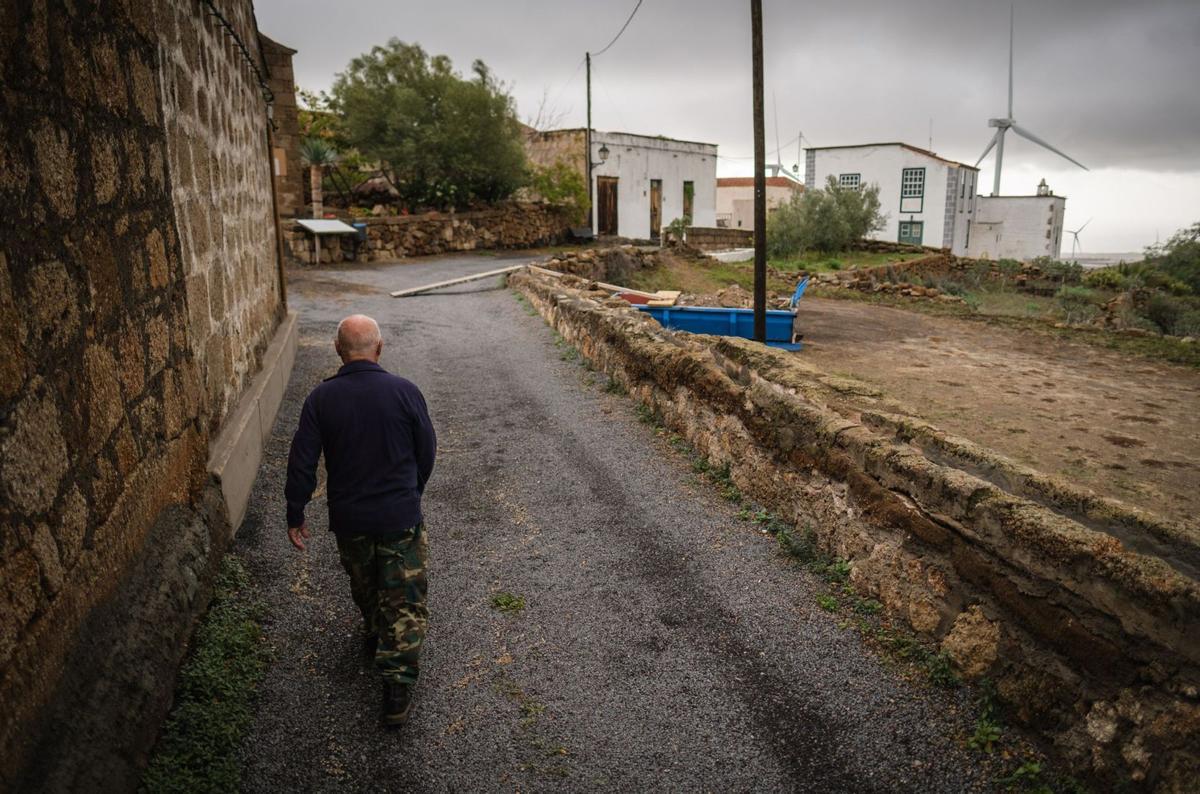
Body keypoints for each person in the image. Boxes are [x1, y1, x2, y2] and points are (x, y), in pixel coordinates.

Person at [285, 314, 437, 726]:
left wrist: (295, 512)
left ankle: (375, 632)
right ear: (380, 348)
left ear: (338, 350)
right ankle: (397, 684)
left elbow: (302, 461)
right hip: (399, 515)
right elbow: (427, 450)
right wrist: (412, 491)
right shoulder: (405, 392)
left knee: (365, 582)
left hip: (350, 519)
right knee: (403, 598)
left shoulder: (321, 399)